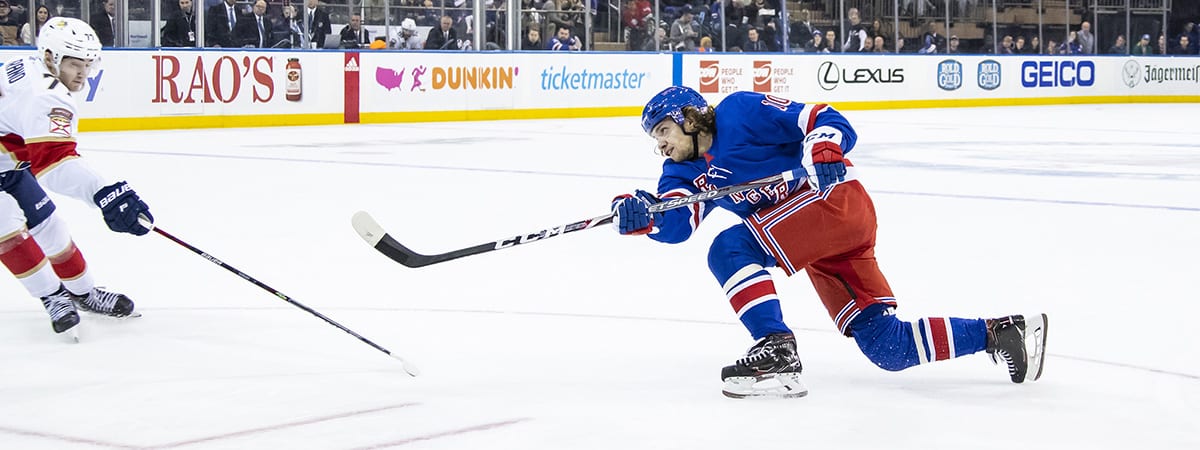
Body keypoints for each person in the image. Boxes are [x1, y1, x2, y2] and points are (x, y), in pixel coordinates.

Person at [611, 86, 1048, 398]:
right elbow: (677, 221)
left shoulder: (740, 111)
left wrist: (825, 147)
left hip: (831, 199)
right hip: (810, 235)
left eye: (663, 131)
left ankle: (775, 347)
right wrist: (642, 213)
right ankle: (1001, 333)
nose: (661, 145)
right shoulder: (682, 173)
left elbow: (823, 117)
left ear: (689, 117)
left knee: (730, 249)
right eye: (656, 140)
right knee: (886, 346)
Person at [0, 17, 153, 337]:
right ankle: (53, 297)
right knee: (7, 230)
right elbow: (54, 166)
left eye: (87, 63)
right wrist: (106, 192)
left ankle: (84, 293)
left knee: (50, 227)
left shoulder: (35, 68)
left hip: (6, 165)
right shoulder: (46, 94)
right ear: (50, 58)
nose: (83, 72)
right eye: (73, 64)